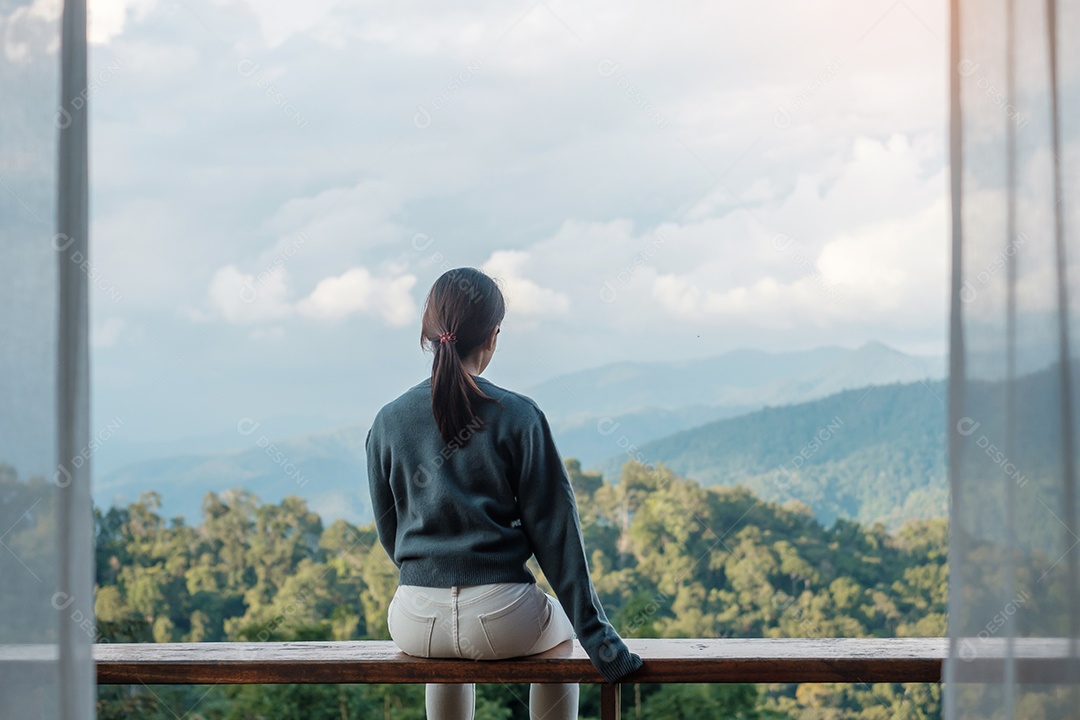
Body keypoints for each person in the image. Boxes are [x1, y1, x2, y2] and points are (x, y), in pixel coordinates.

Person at [365, 267, 643, 720]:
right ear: (492, 337)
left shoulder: (388, 420)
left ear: (428, 332)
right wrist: (601, 642)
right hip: (503, 617)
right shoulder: (518, 415)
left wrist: (433, 574)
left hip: (414, 621)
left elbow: (388, 528)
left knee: (444, 661)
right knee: (560, 634)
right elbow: (556, 534)